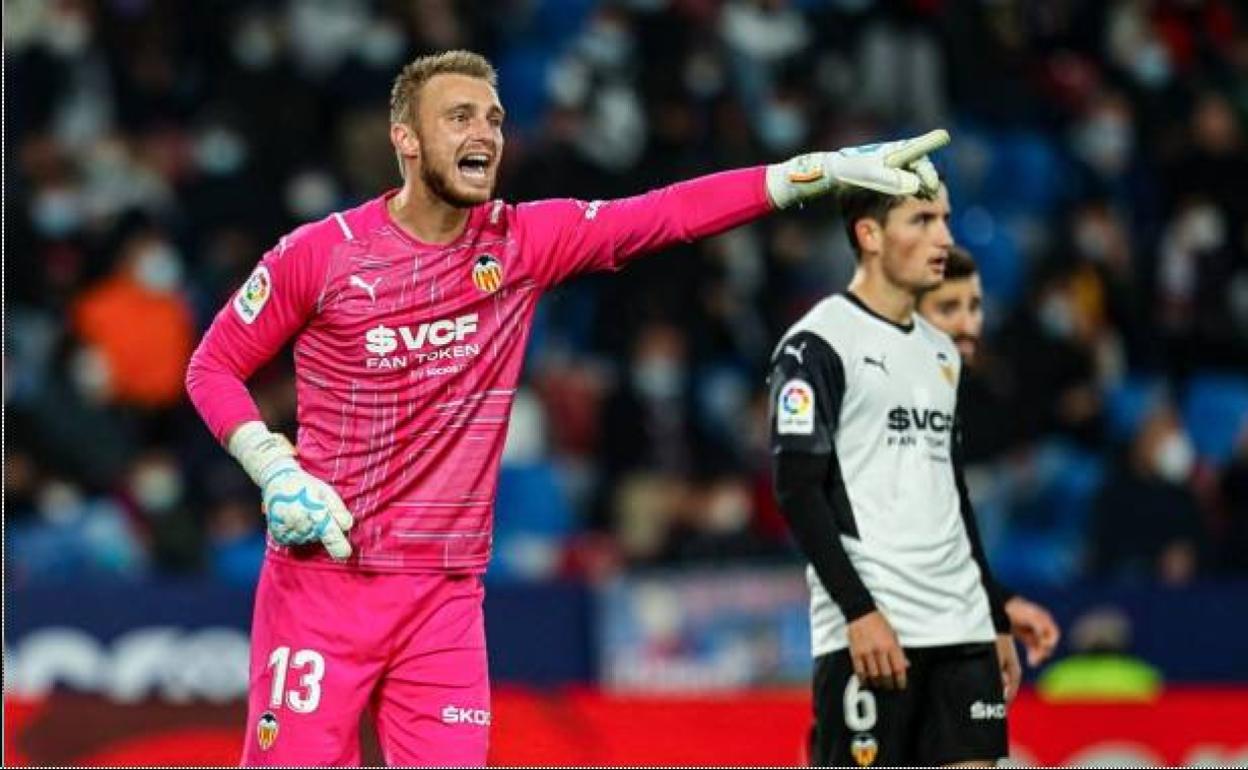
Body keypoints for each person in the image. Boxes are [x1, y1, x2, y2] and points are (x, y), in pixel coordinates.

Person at [185, 49, 949, 766]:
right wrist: (271, 465)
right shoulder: (321, 253)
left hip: (444, 598)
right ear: (405, 140)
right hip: (325, 583)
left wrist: (806, 175)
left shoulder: (519, 242)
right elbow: (213, 365)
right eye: (459, 117)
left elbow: (663, 214)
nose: (484, 131)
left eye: (494, 119)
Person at [768, 182, 1019, 767]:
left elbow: (951, 493)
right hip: (876, 630)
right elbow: (797, 489)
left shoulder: (942, 353)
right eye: (924, 220)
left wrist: (993, 615)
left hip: (960, 627)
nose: (945, 239)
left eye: (945, 219)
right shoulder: (817, 344)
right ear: (871, 234)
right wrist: (858, 611)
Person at [915, 246, 1062, 668]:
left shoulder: (990, 370)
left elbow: (1016, 421)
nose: (968, 322)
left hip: (990, 475)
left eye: (975, 308)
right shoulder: (910, 378)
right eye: (950, 308)